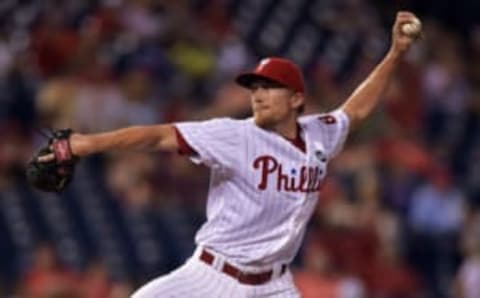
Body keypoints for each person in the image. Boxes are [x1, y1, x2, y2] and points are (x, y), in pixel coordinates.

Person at [38, 11, 420, 298]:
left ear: (296, 100)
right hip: (211, 277)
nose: (257, 94)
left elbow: (357, 110)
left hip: (275, 286)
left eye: (270, 88)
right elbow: (157, 137)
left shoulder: (321, 134)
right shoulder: (233, 135)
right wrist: (84, 144)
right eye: (254, 86)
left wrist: (395, 54)